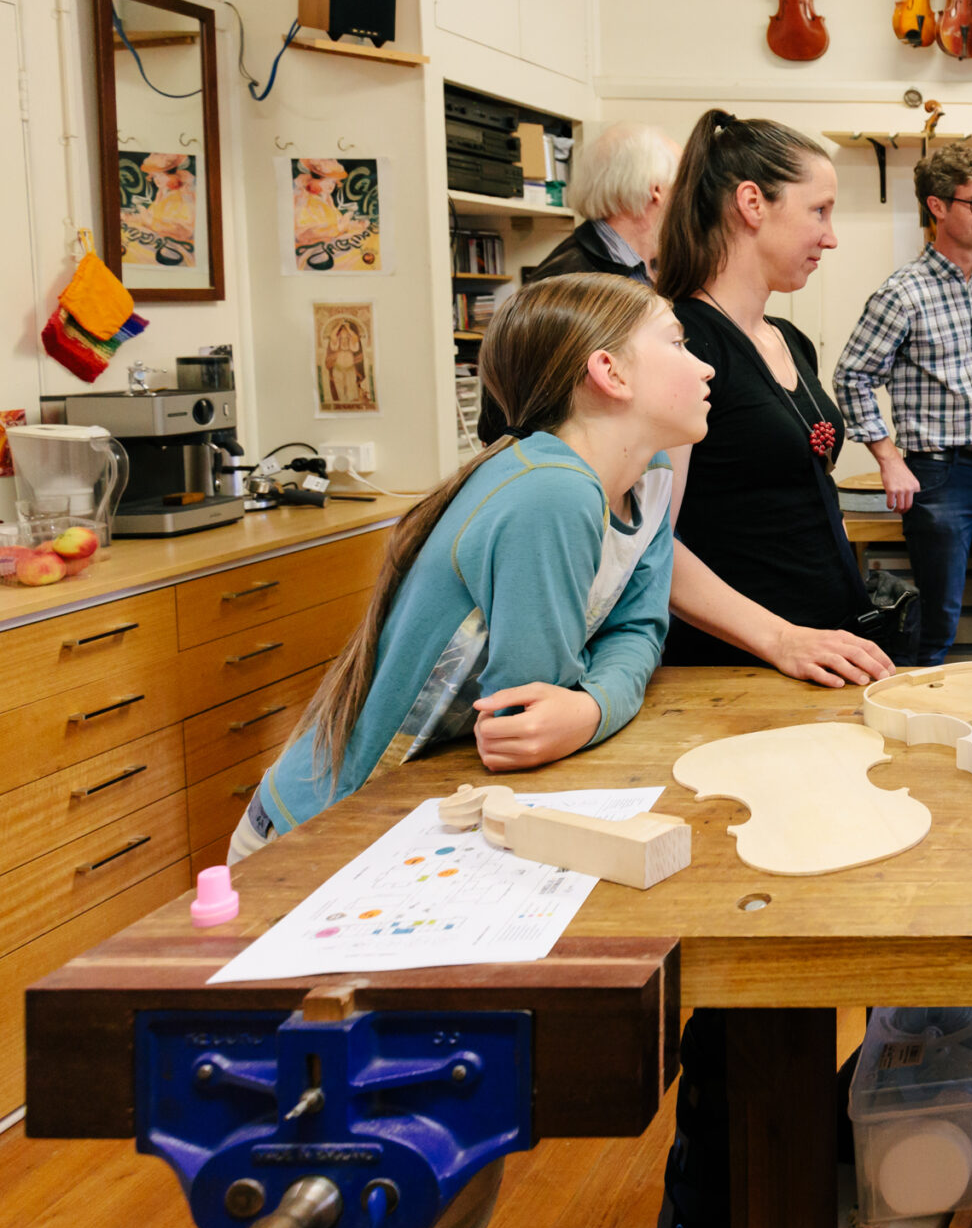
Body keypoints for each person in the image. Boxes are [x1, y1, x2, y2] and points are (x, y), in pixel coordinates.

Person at [234, 273, 709, 857]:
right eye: (678, 343)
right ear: (610, 373)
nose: (705, 367)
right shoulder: (551, 493)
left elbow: (637, 632)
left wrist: (591, 706)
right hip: (322, 835)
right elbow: (525, 719)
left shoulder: (650, 473)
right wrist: (587, 706)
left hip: (417, 814)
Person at [655, 109, 896, 684]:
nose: (830, 237)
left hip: (824, 646)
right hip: (741, 663)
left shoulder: (789, 339)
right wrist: (781, 639)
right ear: (752, 204)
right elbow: (650, 546)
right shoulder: (682, 343)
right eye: (819, 211)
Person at [834, 141, 972, 668]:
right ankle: (921, 735)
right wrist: (888, 458)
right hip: (941, 477)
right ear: (938, 207)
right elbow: (852, 376)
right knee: (939, 623)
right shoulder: (902, 293)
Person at [478, 124, 681, 441]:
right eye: (683, 185)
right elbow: (509, 419)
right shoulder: (567, 280)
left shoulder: (654, 272)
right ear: (656, 189)